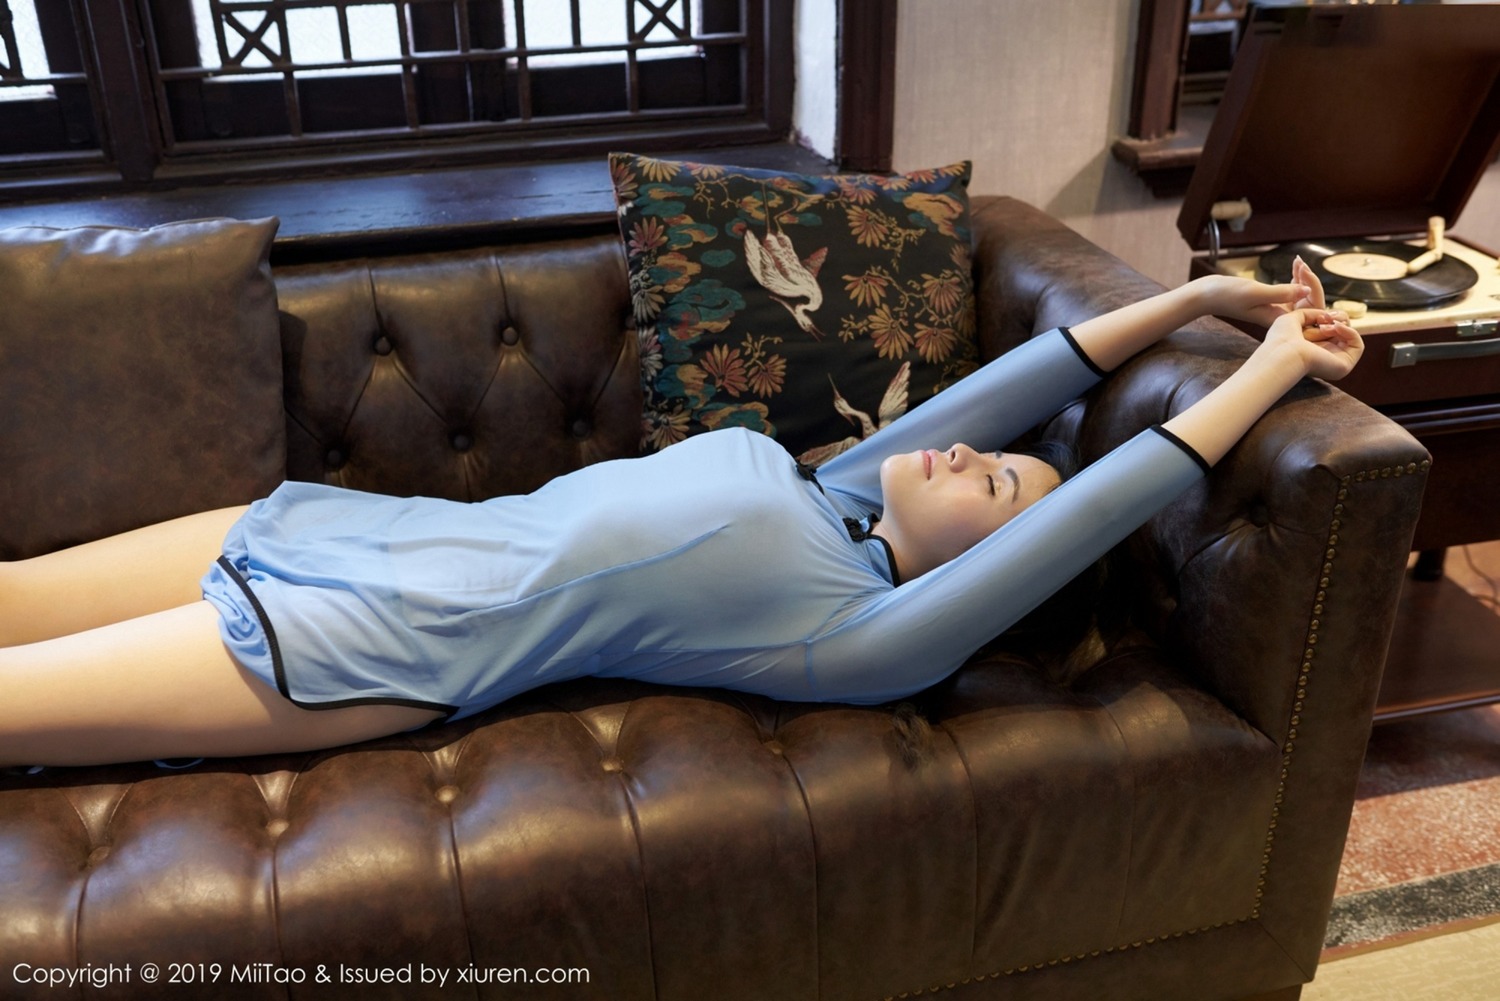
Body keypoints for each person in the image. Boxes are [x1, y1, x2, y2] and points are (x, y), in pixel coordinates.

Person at [0, 259, 1361, 768]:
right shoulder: (835, 493)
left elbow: (1118, 491)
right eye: (989, 457)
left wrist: (1273, 368)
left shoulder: (860, 634)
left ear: (988, 573)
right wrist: (1197, 297)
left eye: (995, 484)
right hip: (344, 528)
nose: (965, 452)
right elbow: (1026, 381)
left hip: (363, 645)